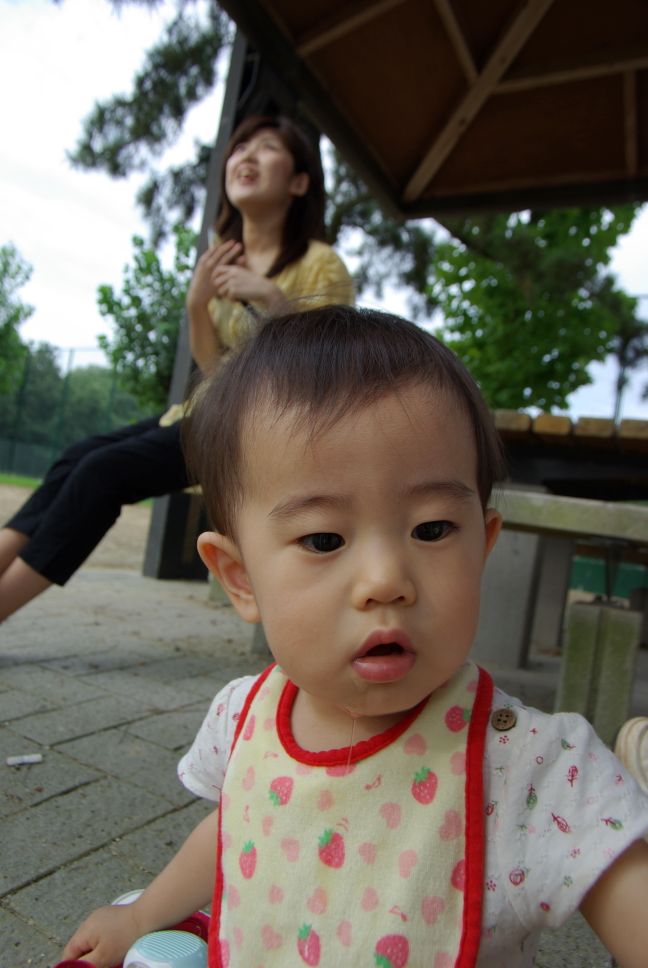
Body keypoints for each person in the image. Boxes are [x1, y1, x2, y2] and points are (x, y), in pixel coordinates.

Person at [61, 307, 648, 968]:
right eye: (323, 539)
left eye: (431, 530)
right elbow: (239, 826)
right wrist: (141, 915)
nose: (386, 580)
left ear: (482, 547)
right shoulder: (243, 718)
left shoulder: (531, 772)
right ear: (240, 578)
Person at [0, 115, 353, 624]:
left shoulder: (322, 264)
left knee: (103, 473)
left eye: (267, 147)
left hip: (264, 426)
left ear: (299, 182)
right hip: (207, 411)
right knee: (77, 457)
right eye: (240, 147)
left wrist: (274, 301)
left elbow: (326, 371)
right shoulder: (223, 260)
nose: (247, 155)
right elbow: (214, 373)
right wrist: (196, 304)